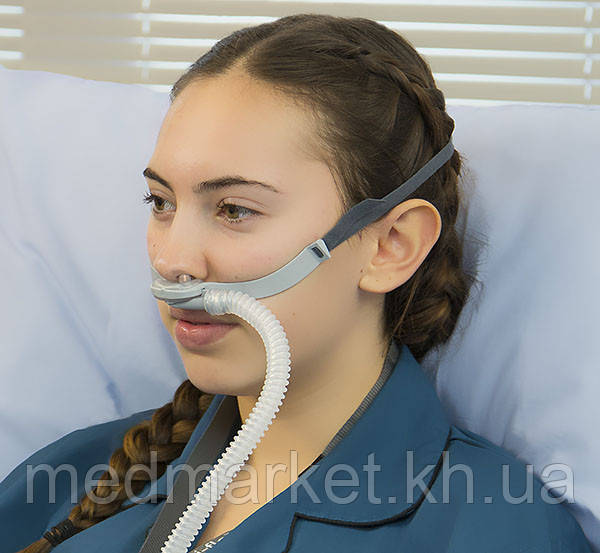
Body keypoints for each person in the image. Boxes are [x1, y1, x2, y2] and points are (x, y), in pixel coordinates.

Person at [1, 13, 592, 553]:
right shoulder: (69, 480)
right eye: (161, 202)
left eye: (235, 209)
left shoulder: (493, 526)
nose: (174, 260)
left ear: (392, 245)